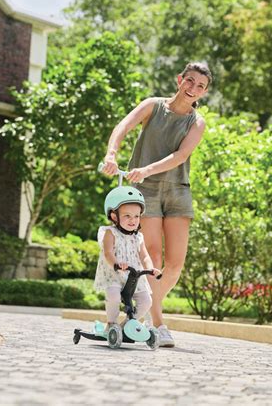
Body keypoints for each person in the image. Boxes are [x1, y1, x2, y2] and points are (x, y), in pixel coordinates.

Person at [102, 61, 212, 347]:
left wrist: (147, 169)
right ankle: (159, 324)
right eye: (190, 81)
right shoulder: (153, 106)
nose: (193, 88)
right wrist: (112, 153)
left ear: (204, 92)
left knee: (175, 265)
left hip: (177, 190)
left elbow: (180, 156)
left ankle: (139, 312)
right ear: (179, 80)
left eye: (200, 86)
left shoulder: (197, 122)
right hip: (145, 192)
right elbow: (123, 126)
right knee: (153, 258)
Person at [94, 185, 162, 331]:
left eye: (136, 216)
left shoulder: (138, 237)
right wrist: (117, 264)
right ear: (114, 216)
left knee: (146, 301)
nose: (133, 220)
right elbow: (108, 253)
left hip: (134, 275)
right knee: (113, 296)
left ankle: (127, 325)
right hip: (115, 274)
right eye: (127, 216)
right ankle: (111, 324)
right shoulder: (109, 233)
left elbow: (144, 256)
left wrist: (150, 268)